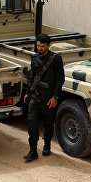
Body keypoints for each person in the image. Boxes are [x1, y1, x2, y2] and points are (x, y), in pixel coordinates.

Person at [23, 33, 63, 162]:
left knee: (48, 123)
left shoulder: (55, 58)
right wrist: (28, 92)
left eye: (43, 46)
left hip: (48, 97)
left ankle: (47, 146)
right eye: (38, 46)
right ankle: (33, 151)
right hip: (35, 96)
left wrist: (55, 97)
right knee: (32, 123)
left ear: (49, 46)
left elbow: (60, 79)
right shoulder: (34, 58)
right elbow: (32, 76)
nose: (40, 48)